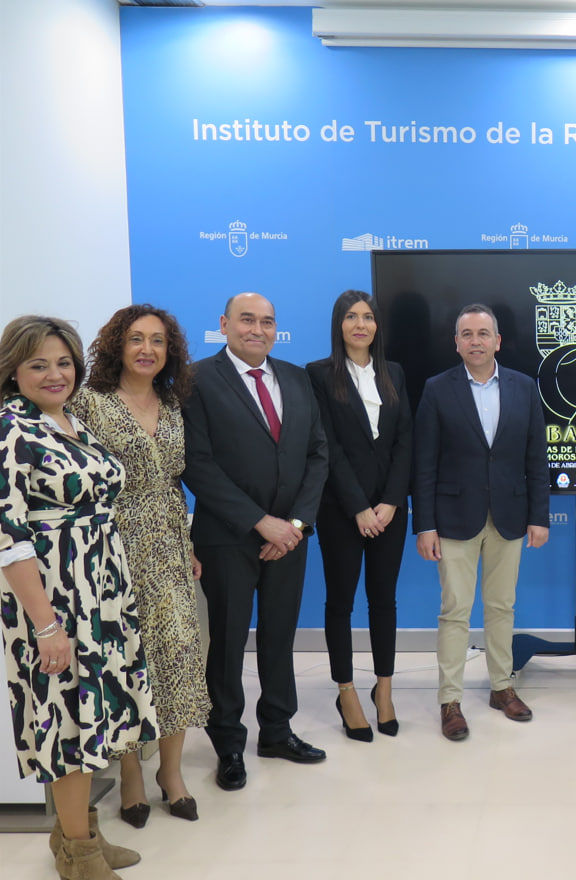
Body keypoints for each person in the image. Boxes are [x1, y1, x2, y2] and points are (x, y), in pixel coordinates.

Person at [0, 315, 156, 880]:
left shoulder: (67, 420)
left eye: (64, 363)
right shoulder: (10, 430)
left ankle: (76, 836)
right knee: (65, 722)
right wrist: (46, 626)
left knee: (93, 717)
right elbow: (9, 539)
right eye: (38, 364)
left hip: (99, 596)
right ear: (13, 370)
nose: (55, 374)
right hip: (53, 601)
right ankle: (80, 857)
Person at [67, 306, 210, 827]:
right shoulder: (88, 402)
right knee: (126, 661)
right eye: (135, 339)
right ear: (117, 346)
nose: (147, 349)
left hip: (168, 547)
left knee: (178, 656)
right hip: (110, 545)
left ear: (170, 351)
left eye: (158, 340)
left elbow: (173, 483)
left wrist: (186, 544)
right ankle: (130, 775)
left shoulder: (172, 404)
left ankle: (171, 773)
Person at [182, 292, 329, 791]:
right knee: (227, 641)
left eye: (267, 322)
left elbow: (318, 455)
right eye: (247, 320)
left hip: (290, 537)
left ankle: (277, 731)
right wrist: (259, 523)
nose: (258, 330)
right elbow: (197, 463)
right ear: (224, 324)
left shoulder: (296, 377)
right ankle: (227, 743)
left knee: (279, 635)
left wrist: (295, 526)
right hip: (228, 537)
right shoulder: (197, 380)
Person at [413, 304, 549, 742]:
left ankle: (501, 687)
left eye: (483, 333)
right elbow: (424, 463)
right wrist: (424, 525)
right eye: (467, 334)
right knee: (455, 610)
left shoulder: (524, 387)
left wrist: (539, 516)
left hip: (510, 516)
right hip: (453, 519)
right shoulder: (437, 389)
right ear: (456, 343)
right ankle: (450, 701)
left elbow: (536, 458)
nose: (476, 341)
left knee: (501, 606)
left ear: (497, 341)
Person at [307, 291, 412, 741]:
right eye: (351, 317)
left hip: (390, 510)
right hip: (341, 511)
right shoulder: (318, 374)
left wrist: (391, 501)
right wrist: (359, 508)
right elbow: (326, 445)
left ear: (376, 326)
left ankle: (383, 690)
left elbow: (405, 439)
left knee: (384, 600)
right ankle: (346, 691)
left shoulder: (394, 373)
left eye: (368, 317)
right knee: (341, 602)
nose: (360, 324)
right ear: (339, 325)